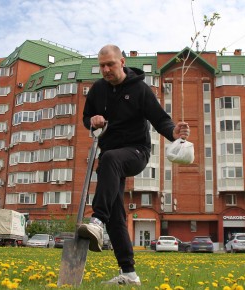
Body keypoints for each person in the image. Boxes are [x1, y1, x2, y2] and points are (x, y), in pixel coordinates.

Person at [77, 44, 190, 286]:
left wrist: (174, 132)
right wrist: (93, 120)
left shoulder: (140, 89)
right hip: (110, 160)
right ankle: (129, 273)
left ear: (122, 62)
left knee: (109, 161)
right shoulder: (97, 89)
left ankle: (96, 220)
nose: (106, 69)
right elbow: (87, 117)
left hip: (136, 152)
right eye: (102, 66)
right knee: (116, 215)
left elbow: (160, 120)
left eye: (110, 64)